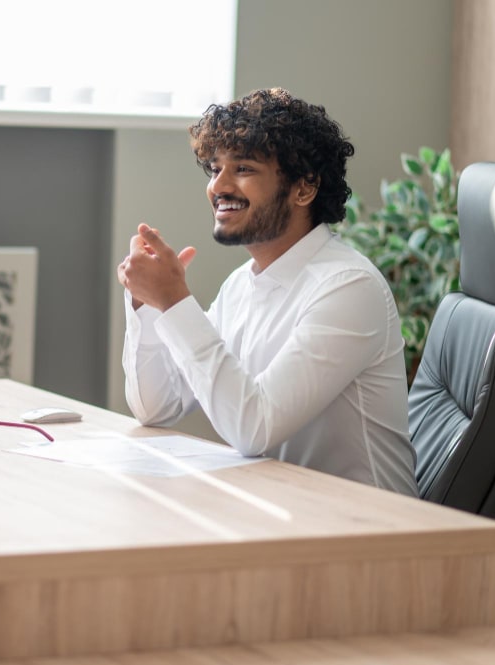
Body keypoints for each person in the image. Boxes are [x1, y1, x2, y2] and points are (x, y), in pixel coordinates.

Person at [117, 88, 417, 495]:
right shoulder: (243, 283)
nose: (218, 186)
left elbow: (253, 428)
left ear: (304, 188)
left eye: (242, 168)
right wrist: (148, 305)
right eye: (213, 168)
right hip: (277, 512)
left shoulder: (348, 287)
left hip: (365, 533)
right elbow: (158, 408)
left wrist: (174, 301)